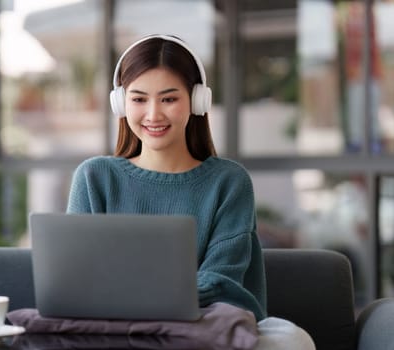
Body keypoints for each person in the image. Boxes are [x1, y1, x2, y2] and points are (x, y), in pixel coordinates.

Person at [66, 34, 315, 350]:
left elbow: (221, 280)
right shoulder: (94, 177)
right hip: (114, 327)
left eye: (169, 99)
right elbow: (78, 276)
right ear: (121, 102)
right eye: (139, 99)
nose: (153, 114)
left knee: (293, 340)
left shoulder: (229, 182)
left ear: (198, 101)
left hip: (204, 324)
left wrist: (136, 296)